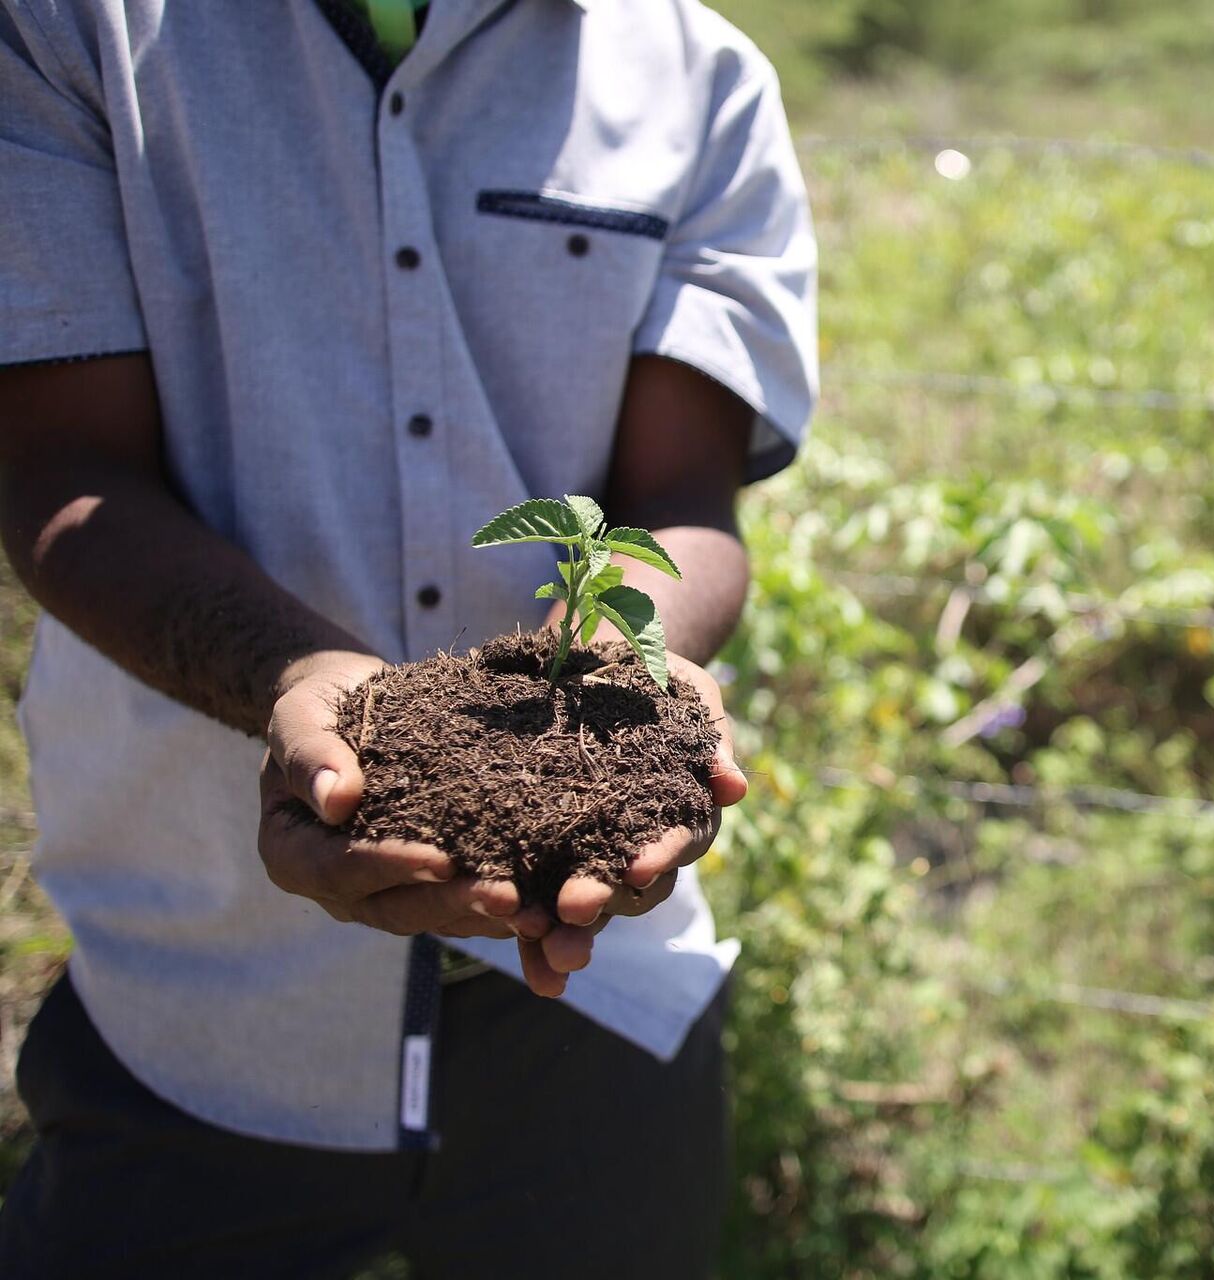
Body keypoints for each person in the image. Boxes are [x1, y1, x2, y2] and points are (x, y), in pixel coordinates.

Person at [0, 0, 815, 1275]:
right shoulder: (73, 32)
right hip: (201, 991)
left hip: (603, 1002)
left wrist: (612, 675)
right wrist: (299, 675)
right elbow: (61, 464)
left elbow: (681, 500)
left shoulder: (696, 76)